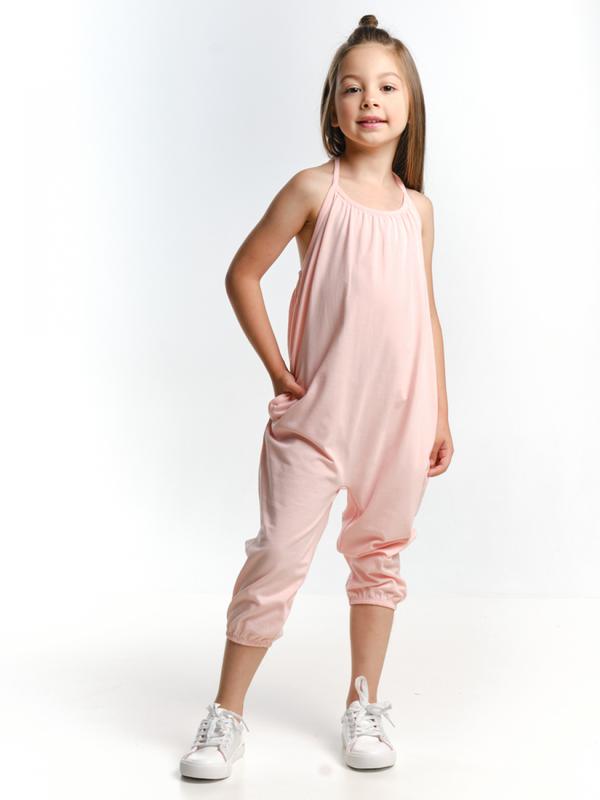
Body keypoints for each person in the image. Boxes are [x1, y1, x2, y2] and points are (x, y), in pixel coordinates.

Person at [180, 13, 454, 780]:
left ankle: (363, 703)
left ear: (410, 105)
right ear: (333, 106)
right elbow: (243, 273)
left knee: (380, 557)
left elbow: (426, 310)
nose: (371, 100)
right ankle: (225, 715)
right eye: (353, 88)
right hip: (318, 420)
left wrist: (440, 411)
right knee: (277, 558)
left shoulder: (418, 210)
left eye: (387, 87)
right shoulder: (312, 190)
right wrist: (278, 369)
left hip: (400, 422)